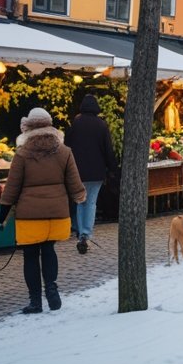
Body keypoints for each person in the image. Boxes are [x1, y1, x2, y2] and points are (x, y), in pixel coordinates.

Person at [0, 108, 85, 314]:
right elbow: (75, 184)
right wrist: (79, 199)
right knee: (49, 250)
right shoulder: (64, 152)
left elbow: (12, 187)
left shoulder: (22, 154)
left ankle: (35, 302)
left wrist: (3, 215)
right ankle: (52, 289)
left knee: (30, 256)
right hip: (56, 212)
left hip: (29, 215)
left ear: (28, 127)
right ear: (49, 124)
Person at [64, 94, 117, 254]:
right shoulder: (101, 125)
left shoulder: (76, 123)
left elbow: (67, 146)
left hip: (78, 172)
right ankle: (86, 233)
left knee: (80, 201)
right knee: (91, 202)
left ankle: (81, 232)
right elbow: (108, 149)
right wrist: (112, 169)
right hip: (96, 172)